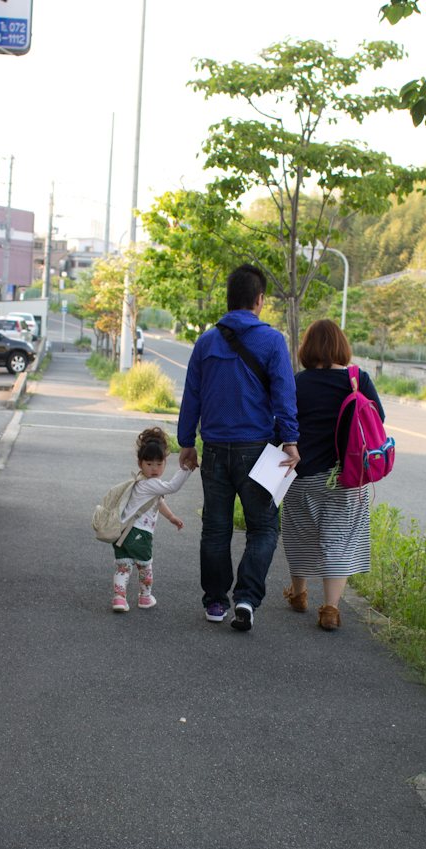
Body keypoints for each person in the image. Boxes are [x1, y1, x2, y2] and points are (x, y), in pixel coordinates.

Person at [177, 263, 299, 631]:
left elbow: (192, 395)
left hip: (214, 449)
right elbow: (284, 394)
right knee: (263, 528)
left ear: (229, 300)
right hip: (257, 451)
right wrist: (290, 440)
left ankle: (216, 602)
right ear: (259, 300)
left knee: (215, 529)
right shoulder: (273, 341)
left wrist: (187, 442)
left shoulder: (206, 342)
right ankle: (246, 598)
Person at [281, 318, 385, 630]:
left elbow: (282, 425)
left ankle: (298, 595)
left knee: (299, 536)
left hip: (301, 475)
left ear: (307, 348)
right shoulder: (357, 379)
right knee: (338, 541)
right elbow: (378, 417)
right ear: (341, 346)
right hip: (346, 477)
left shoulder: (298, 382)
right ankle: (330, 609)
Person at [112, 427, 191, 612]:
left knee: (123, 567)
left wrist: (171, 517)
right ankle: (145, 597)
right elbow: (172, 487)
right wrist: (187, 469)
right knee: (145, 566)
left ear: (164, 463)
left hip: (122, 532)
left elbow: (157, 502)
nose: (155, 468)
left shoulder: (139, 481)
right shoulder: (152, 483)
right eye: (149, 463)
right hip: (140, 533)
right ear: (140, 463)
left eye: (159, 463)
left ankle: (119, 599)